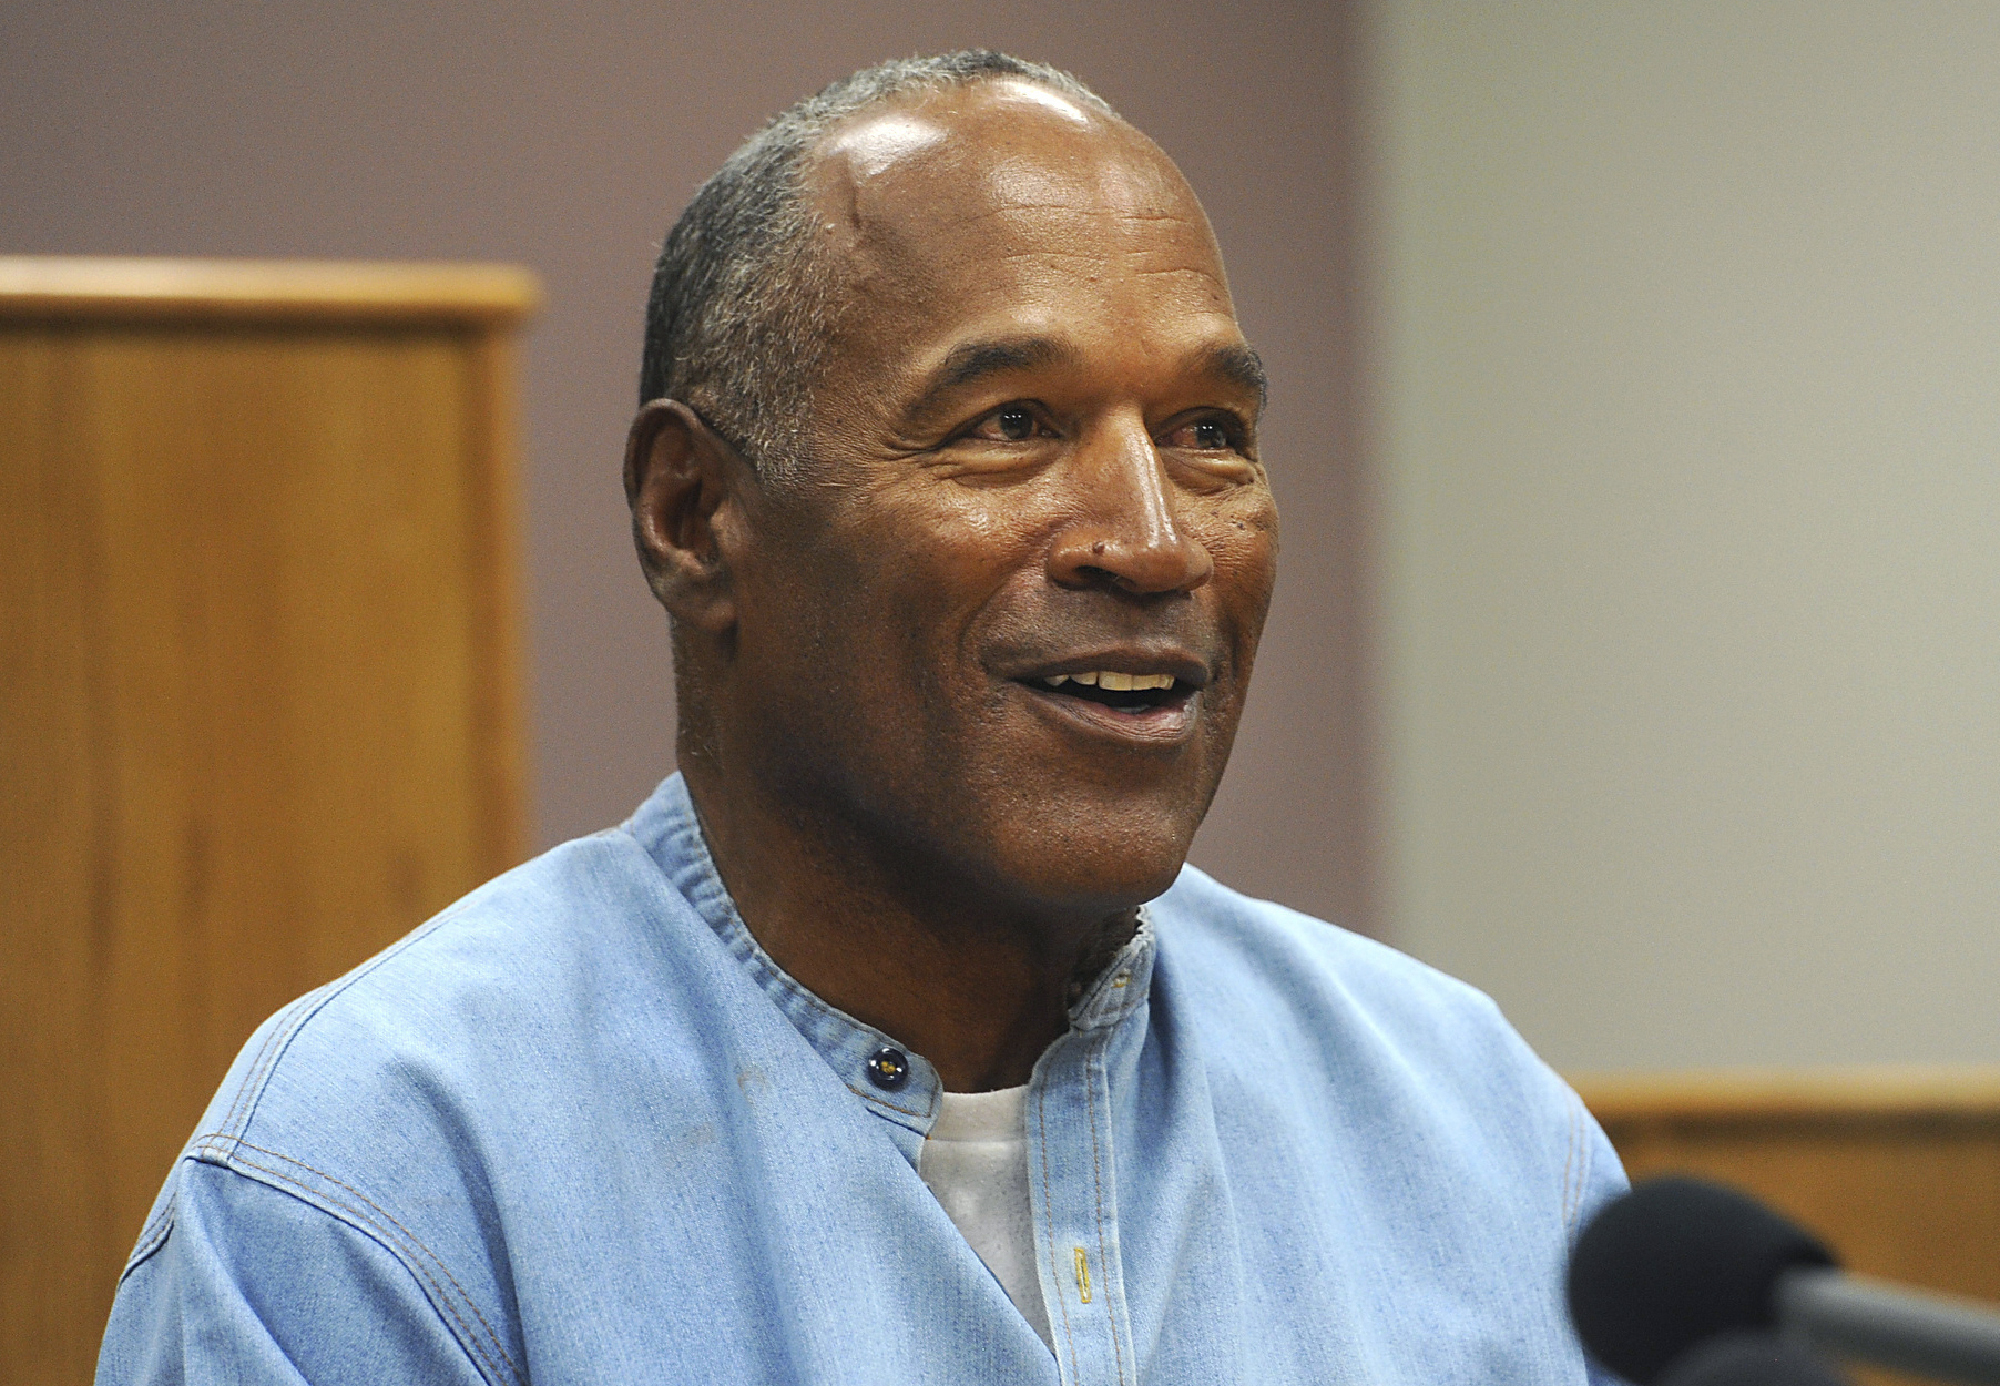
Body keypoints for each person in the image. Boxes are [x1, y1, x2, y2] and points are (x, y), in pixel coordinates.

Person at [98, 51, 1625, 1384]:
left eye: (1208, 432)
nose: (1156, 541)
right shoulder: (378, 1188)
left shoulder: (1475, 1134)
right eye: (1012, 424)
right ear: (694, 516)